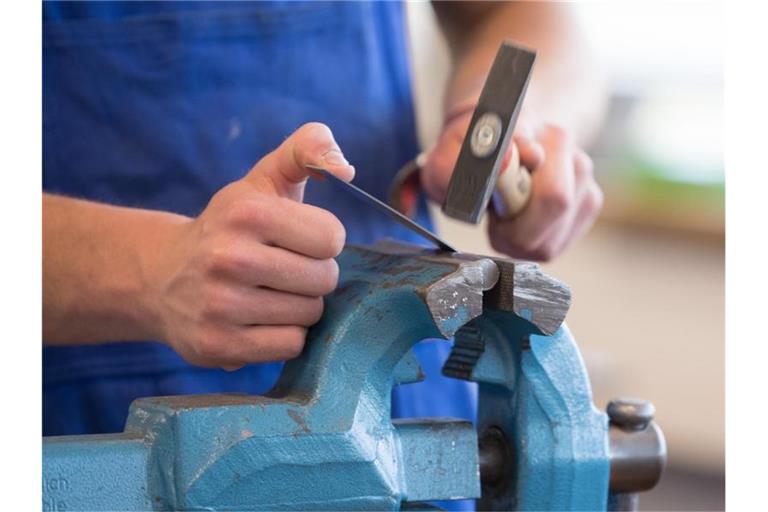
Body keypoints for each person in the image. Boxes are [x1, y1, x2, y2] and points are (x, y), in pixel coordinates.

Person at [43, 0, 603, 454]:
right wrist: (154, 269)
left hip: (407, 389)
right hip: (93, 420)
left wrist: (513, 126)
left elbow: (525, 12)